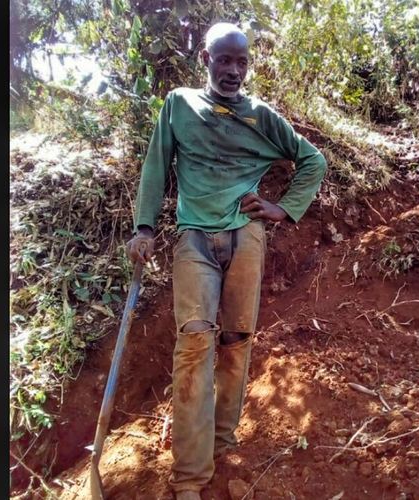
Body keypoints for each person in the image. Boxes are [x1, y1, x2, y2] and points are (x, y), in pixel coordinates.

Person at [126, 22, 327, 500]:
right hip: (194, 238)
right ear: (206, 58)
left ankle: (221, 441)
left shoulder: (262, 117)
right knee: (195, 344)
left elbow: (311, 160)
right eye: (224, 59)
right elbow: (156, 167)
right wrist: (144, 227)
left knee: (236, 340)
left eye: (241, 61)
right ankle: (190, 477)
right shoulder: (179, 104)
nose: (233, 70)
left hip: (246, 238)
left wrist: (284, 208)